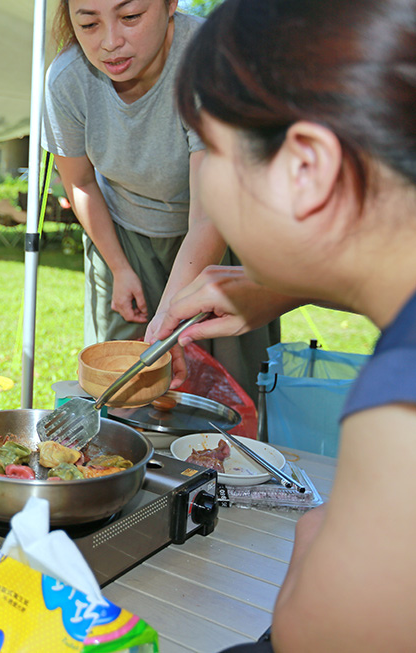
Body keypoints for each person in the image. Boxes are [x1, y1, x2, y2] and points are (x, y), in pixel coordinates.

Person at [147, 0, 416, 650]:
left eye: (210, 147)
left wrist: (313, 542)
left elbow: (310, 635)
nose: (203, 180)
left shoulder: (398, 406)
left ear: (305, 167)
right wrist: (283, 287)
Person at [42, 0, 278, 399]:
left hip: (226, 231)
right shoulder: (66, 81)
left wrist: (167, 318)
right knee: (121, 388)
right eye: (88, 24)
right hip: (121, 235)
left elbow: (209, 218)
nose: (110, 43)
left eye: (131, 17)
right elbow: (80, 183)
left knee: (234, 392)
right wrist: (119, 268)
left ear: (171, 4)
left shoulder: (214, 58)